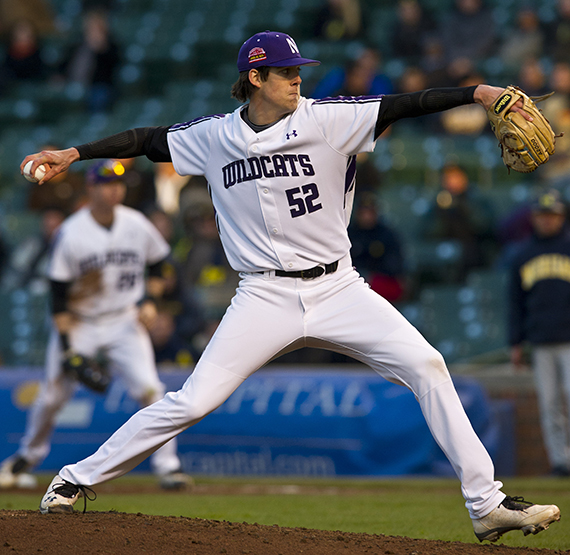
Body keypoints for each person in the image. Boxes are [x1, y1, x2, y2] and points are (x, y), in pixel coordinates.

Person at [22, 30, 559, 542]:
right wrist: (75, 153)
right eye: (285, 72)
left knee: (428, 366)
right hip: (263, 296)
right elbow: (145, 141)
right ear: (255, 78)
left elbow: (406, 103)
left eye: (298, 70)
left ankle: (486, 504)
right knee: (191, 402)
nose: (297, 79)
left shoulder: (328, 119)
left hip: (340, 288)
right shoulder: (214, 136)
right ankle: (74, 478)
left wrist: (479, 93)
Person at [0, 159, 190, 491]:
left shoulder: (136, 224)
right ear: (91, 189)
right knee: (51, 396)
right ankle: (25, 457)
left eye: (118, 183)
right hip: (80, 322)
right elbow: (57, 296)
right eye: (105, 183)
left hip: (123, 320)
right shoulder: (72, 231)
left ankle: (168, 467)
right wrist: (67, 347)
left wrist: (149, 301)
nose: (114, 189)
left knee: (151, 390)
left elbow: (161, 267)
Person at [508, 189, 570, 477]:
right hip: (541, 341)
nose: (547, 221)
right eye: (542, 215)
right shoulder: (523, 255)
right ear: (534, 218)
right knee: (549, 405)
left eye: (552, 215)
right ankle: (560, 461)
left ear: (562, 217)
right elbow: (515, 302)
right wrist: (515, 341)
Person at [349, 193, 405, 302]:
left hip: (380, 279)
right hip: (354, 279)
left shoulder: (387, 234)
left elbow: (396, 265)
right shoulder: (350, 233)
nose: (367, 216)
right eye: (363, 213)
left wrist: (372, 272)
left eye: (370, 212)